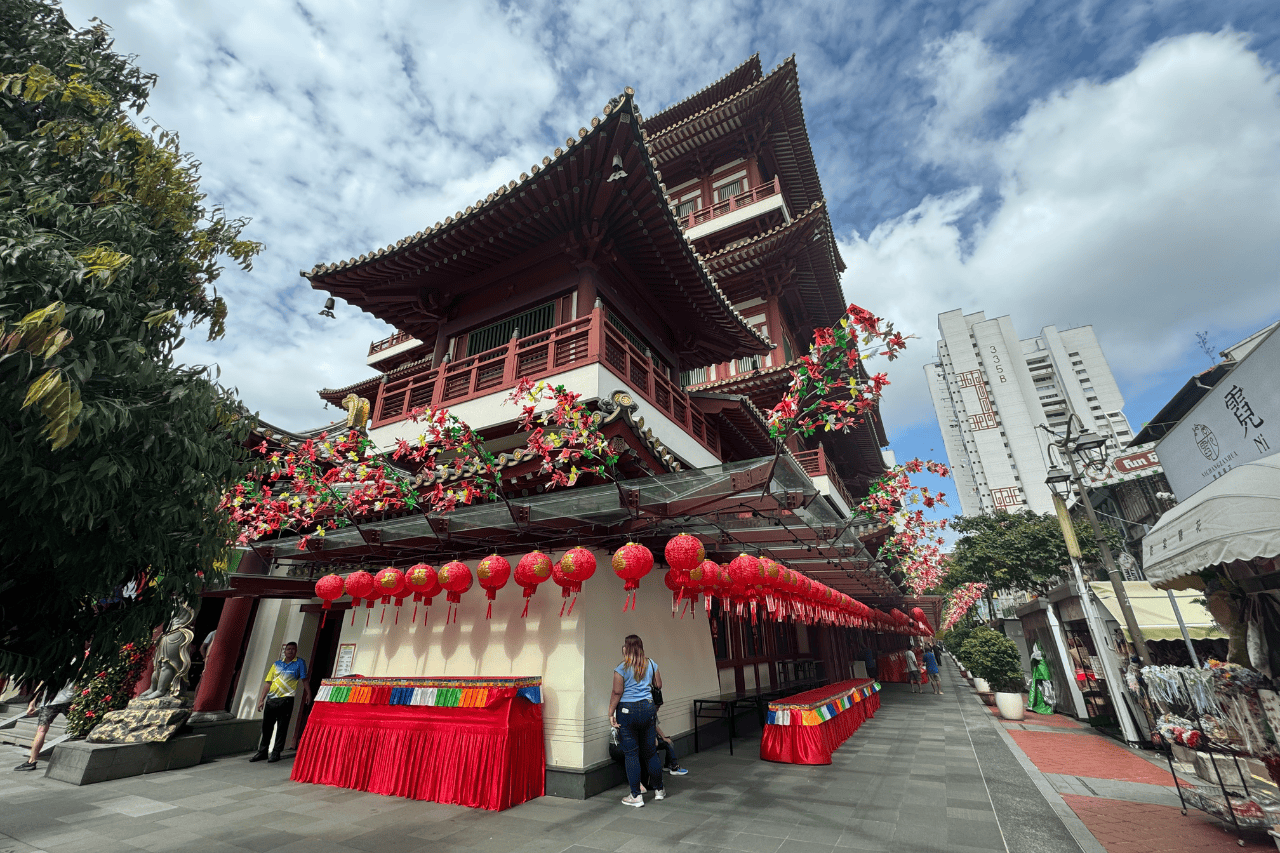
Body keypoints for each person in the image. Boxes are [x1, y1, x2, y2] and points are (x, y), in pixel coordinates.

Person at [608, 634, 665, 807]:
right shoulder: (651, 664)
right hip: (648, 708)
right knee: (650, 752)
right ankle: (659, 790)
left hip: (627, 710)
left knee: (631, 753)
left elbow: (617, 692)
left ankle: (636, 796)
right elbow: (659, 685)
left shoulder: (621, 668)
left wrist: (611, 712)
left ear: (627, 647)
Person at [250, 641, 310, 763]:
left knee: (282, 727)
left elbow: (304, 680)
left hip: (286, 699)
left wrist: (308, 693)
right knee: (267, 727)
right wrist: (261, 700)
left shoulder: (299, 663)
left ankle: (276, 752)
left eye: (293, 649)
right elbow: (268, 683)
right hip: (271, 699)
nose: (290, 651)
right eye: (288, 649)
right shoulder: (276, 664)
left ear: (296, 651)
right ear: (285, 651)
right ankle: (262, 751)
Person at [14, 678, 76, 772]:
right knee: (82, 723)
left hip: (50, 701)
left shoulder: (52, 667)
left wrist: (32, 703)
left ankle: (32, 761)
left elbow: (41, 686)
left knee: (41, 730)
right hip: (69, 699)